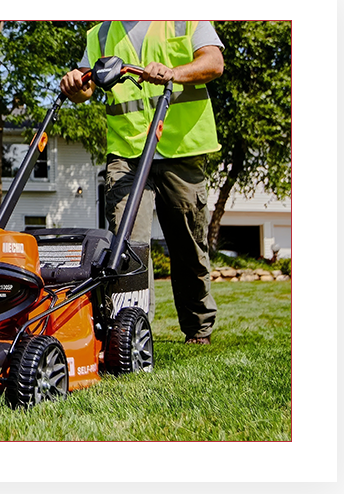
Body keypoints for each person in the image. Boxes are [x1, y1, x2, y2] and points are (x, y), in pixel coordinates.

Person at [60, 21, 224, 344]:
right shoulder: (100, 34)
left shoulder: (184, 16)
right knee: (128, 241)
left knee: (188, 242)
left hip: (181, 147)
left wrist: (174, 72)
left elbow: (213, 63)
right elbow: (86, 85)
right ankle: (131, 330)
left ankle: (198, 327)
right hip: (128, 151)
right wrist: (74, 85)